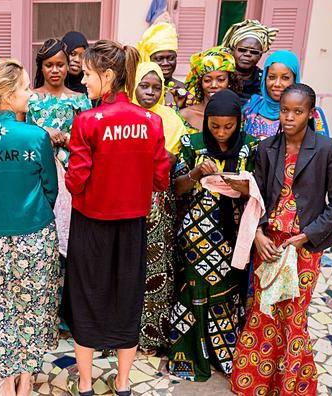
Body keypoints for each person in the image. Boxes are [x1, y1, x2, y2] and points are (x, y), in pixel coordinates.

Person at [231, 84, 332, 395]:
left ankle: (291, 387)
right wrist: (257, 233)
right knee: (264, 310)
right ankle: (256, 384)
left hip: (304, 245)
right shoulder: (267, 148)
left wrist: (306, 236)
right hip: (270, 243)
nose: (289, 117)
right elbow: (256, 197)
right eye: (285, 110)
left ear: (311, 114)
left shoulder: (328, 149)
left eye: (297, 112)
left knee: (294, 315)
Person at [65, 40, 170, 396]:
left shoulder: (86, 121)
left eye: (89, 75)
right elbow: (161, 178)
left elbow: (75, 179)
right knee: (128, 298)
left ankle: (85, 383)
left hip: (91, 224)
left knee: (86, 297)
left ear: (108, 75)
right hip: (133, 226)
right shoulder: (151, 121)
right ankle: (123, 383)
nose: (84, 82)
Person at [0, 59, 61, 396]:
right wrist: (31, 214)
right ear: (6, 94)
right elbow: (51, 187)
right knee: (34, 305)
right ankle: (26, 378)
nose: (29, 92)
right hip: (36, 235)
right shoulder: (36, 136)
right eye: (23, 87)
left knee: (0, 305)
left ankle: (8, 376)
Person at [168, 89, 258, 382]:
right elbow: (177, 189)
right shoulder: (192, 144)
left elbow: (260, 192)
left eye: (228, 126)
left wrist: (243, 188)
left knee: (225, 295)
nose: (220, 133)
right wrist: (195, 174)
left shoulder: (250, 147)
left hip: (233, 236)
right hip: (195, 235)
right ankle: (188, 355)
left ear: (239, 123)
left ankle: (223, 356)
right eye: (214, 126)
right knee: (193, 291)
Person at [131, 61, 187, 355]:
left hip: (158, 203)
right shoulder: (126, 116)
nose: (151, 92)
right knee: (128, 268)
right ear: (133, 86)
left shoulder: (171, 119)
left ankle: (151, 336)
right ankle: (123, 334)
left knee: (155, 268)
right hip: (126, 198)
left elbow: (171, 160)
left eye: (156, 87)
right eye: (144, 85)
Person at [27, 38, 92, 286]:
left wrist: (65, 138)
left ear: (68, 67)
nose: (55, 70)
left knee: (69, 236)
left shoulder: (80, 99)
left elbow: (88, 141)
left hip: (70, 172)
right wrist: (44, 136)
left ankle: (68, 309)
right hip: (37, 174)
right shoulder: (30, 98)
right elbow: (22, 134)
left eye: (60, 65)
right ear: (40, 68)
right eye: (49, 65)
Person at [243, 50, 330, 140]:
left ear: (294, 80)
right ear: (265, 78)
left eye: (285, 78)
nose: (277, 84)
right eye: (272, 77)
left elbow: (323, 150)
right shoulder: (251, 106)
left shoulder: (310, 113)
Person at [179, 46, 241, 134]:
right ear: (200, 83)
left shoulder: (238, 117)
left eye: (221, 80)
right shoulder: (184, 115)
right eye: (207, 80)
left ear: (230, 82)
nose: (214, 85)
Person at [221, 20, 279, 105]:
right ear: (233, 50)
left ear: (260, 56)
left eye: (254, 52)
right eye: (242, 50)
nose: (247, 54)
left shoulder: (266, 81)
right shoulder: (220, 77)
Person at [137, 22, 189, 109]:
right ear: (149, 59)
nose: (165, 63)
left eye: (170, 58)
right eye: (159, 59)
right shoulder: (137, 88)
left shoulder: (183, 90)